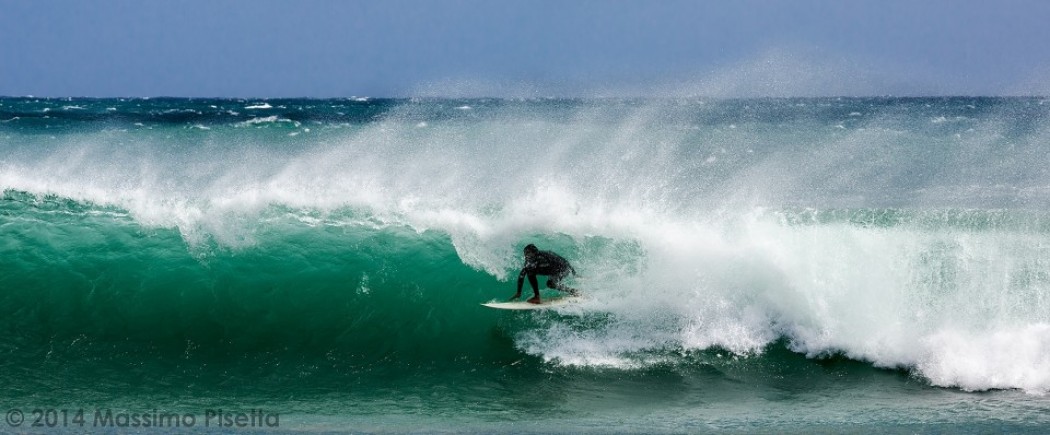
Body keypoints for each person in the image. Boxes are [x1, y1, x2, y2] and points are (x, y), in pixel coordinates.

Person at [510, 244, 579, 304]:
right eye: (526, 254)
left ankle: (573, 291)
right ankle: (537, 297)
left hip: (562, 268)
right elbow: (522, 275)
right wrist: (518, 292)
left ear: (535, 253)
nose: (527, 257)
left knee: (551, 284)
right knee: (529, 271)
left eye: (529, 254)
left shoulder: (547, 255)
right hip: (551, 270)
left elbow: (565, 262)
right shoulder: (529, 261)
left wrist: (574, 273)